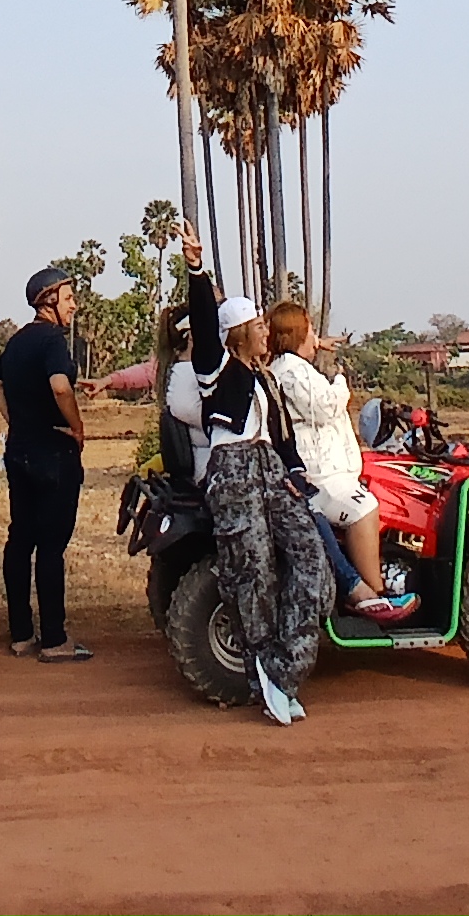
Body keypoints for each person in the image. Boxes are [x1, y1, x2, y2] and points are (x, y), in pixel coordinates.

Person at [168, 223, 329, 725]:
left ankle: (282, 670)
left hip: (270, 469)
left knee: (310, 560)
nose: (267, 331)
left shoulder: (267, 378)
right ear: (240, 333)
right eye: (258, 324)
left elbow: (283, 438)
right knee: (252, 571)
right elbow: (201, 314)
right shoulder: (217, 369)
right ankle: (267, 672)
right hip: (234, 470)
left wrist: (296, 473)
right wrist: (196, 266)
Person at [265, 302, 417, 622]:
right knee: (364, 508)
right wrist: (340, 381)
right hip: (321, 473)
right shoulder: (292, 371)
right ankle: (372, 594)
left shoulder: (290, 366)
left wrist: (319, 345)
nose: (316, 337)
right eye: (311, 331)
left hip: (326, 467)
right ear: (298, 334)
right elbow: (324, 406)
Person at [0, 264, 95, 662]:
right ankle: (54, 639)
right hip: (54, 454)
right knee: (51, 546)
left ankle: (20, 634)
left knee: (21, 541)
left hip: (19, 451)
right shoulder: (53, 339)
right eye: (69, 298)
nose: (74, 305)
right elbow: (59, 385)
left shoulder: (17, 341)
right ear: (49, 301)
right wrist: (77, 426)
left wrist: (15, 420)